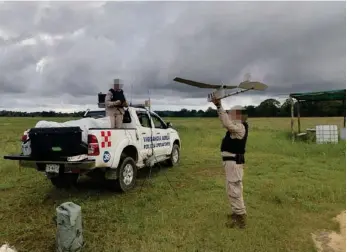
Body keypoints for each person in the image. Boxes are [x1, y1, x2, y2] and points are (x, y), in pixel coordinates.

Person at [211, 96, 249, 229]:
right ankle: (237, 212)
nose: (230, 115)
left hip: (233, 163)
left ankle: (240, 216)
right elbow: (225, 121)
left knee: (234, 188)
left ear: (239, 116)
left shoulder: (240, 127)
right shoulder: (236, 126)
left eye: (233, 114)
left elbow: (226, 123)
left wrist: (219, 106)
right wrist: (220, 108)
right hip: (231, 163)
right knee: (232, 188)